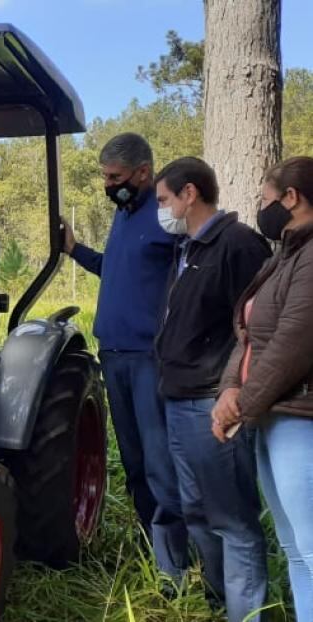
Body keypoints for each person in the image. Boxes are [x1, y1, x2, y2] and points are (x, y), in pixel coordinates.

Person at [62, 133, 188, 580]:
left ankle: (174, 567)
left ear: (143, 173)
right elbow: (113, 269)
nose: (108, 184)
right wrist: (75, 250)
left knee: (159, 462)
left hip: (149, 358)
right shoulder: (123, 214)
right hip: (113, 356)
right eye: (104, 177)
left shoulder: (167, 216)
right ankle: (147, 542)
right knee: (133, 460)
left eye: (114, 177)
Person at [153, 157, 270, 621]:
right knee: (197, 509)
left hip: (212, 403)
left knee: (233, 520)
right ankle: (221, 601)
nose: (161, 210)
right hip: (179, 398)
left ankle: (248, 613)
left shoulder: (238, 245)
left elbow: (257, 328)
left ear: (189, 194)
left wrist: (234, 391)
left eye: (164, 199)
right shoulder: (187, 248)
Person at [214, 156, 313, 622]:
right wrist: (229, 390)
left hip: (301, 418)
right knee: (295, 548)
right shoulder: (284, 256)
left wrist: (242, 405)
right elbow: (249, 333)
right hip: (272, 415)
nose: (261, 207)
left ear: (291, 198)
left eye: (264, 198)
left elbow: (295, 343)